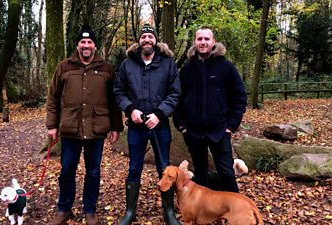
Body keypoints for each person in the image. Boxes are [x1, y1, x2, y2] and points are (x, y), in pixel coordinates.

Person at [46, 25, 124, 225]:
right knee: (66, 170)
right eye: (83, 42)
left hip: (96, 129)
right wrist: (52, 125)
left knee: (93, 171)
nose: (86, 45)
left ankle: (90, 210)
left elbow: (114, 100)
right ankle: (64, 209)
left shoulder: (107, 69)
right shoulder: (64, 67)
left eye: (90, 42)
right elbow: (53, 98)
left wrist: (116, 127)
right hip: (70, 128)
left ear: (95, 46)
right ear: (78, 45)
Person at [113, 24, 181, 225]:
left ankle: (169, 212)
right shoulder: (127, 65)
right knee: (134, 168)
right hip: (136, 127)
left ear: (155, 40)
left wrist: (159, 114)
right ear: (139, 41)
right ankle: (130, 211)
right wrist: (130, 109)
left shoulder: (168, 64)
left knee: (164, 168)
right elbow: (119, 92)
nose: (147, 40)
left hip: (159, 125)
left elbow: (175, 93)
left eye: (150, 37)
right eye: (143, 37)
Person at [173, 26, 247, 193]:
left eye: (207, 39)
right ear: (194, 42)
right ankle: (204, 211)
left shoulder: (226, 67)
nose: (203, 42)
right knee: (200, 175)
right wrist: (182, 126)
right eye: (200, 39)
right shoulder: (187, 70)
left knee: (226, 173)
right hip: (194, 131)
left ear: (213, 42)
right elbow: (177, 99)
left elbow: (239, 97)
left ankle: (236, 210)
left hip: (219, 130)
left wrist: (231, 125)